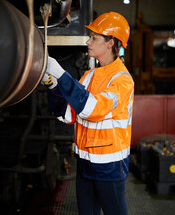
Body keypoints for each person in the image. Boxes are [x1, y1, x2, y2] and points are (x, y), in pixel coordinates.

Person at [42, 11, 134, 215]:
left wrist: (62, 74)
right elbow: (68, 115)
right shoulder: (89, 75)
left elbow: (92, 109)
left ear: (110, 43)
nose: (88, 41)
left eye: (94, 37)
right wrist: (53, 86)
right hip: (85, 164)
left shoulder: (122, 80)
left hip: (109, 167)